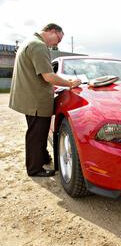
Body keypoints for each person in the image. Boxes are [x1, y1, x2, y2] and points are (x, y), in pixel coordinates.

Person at [9, 23, 81, 177]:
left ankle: (42, 158)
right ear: (52, 31)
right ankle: (35, 169)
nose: (56, 45)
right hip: (36, 100)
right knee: (37, 136)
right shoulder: (39, 46)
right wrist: (70, 83)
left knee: (36, 133)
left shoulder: (28, 42)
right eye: (58, 40)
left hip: (29, 97)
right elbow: (48, 76)